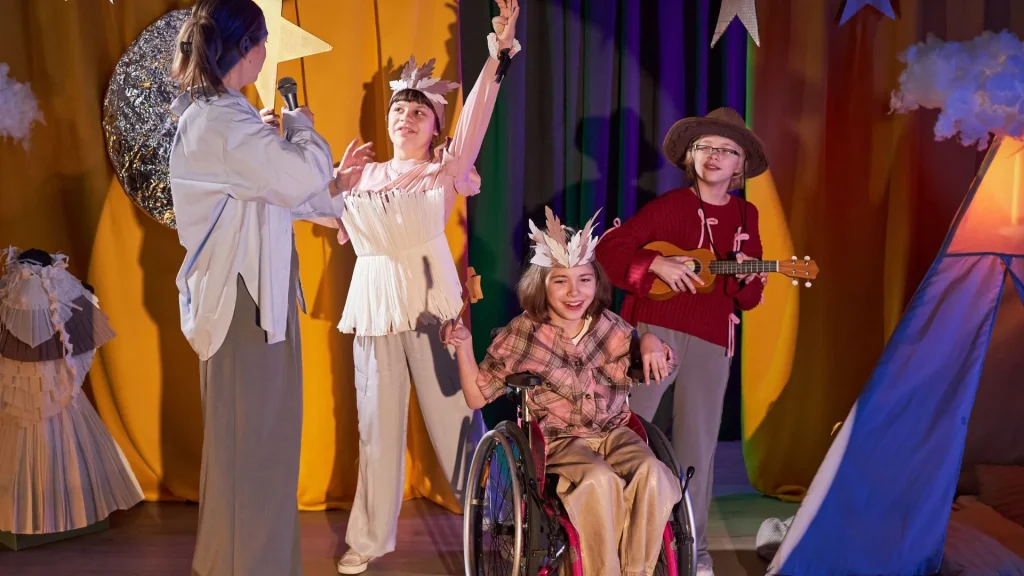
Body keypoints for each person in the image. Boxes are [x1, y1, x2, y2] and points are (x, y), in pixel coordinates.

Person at [168, 1, 371, 574]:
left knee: (268, 444)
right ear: (244, 47)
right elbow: (293, 174)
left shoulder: (229, 117)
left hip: (260, 297)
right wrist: (301, 124)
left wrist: (334, 184)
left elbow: (286, 190)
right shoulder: (219, 122)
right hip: (240, 303)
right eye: (261, 40)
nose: (266, 52)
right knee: (249, 448)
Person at [319, 1, 521, 573]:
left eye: (418, 111)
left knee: (458, 420)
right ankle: (367, 538)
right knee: (376, 428)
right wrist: (328, 181)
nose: (405, 116)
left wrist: (495, 55)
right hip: (374, 305)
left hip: (434, 307)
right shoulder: (358, 173)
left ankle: (500, 520)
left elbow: (477, 117)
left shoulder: (443, 170)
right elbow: (309, 207)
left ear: (434, 125)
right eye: (399, 108)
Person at [444, 206, 682, 576]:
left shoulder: (610, 327)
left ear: (595, 281)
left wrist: (651, 340)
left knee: (654, 473)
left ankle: (636, 571)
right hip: (559, 440)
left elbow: (655, 363)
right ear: (541, 284)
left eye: (584, 280)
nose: (575, 293)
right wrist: (463, 346)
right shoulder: (523, 333)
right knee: (598, 481)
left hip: (613, 431)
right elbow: (477, 397)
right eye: (560, 281)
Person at [594, 106, 770, 576]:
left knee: (698, 450)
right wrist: (654, 265)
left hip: (713, 341)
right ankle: (614, 542)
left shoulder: (744, 215)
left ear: (740, 167)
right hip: (655, 333)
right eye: (706, 147)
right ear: (691, 157)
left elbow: (749, 298)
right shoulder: (670, 206)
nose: (716, 155)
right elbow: (609, 251)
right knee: (630, 433)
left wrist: (746, 271)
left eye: (728, 150)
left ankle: (692, 550)